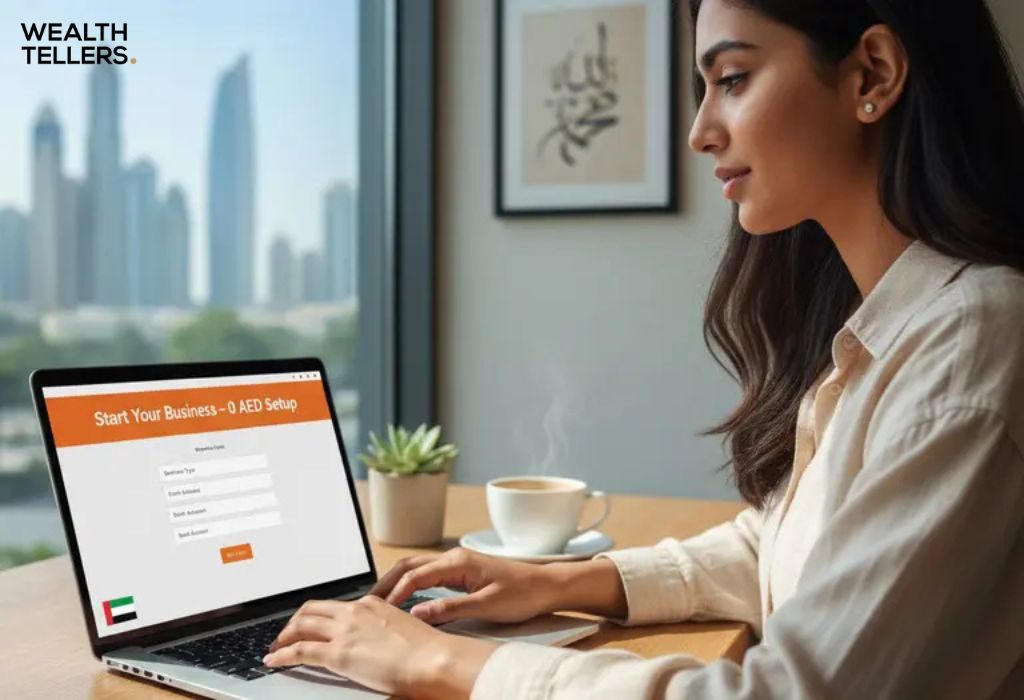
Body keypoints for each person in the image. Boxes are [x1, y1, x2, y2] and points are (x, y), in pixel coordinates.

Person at [262, 0, 1024, 697]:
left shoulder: (968, 345)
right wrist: (567, 582)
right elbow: (795, 546)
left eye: (732, 78)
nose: (700, 131)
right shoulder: (893, 325)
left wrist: (441, 662)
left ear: (873, 73)